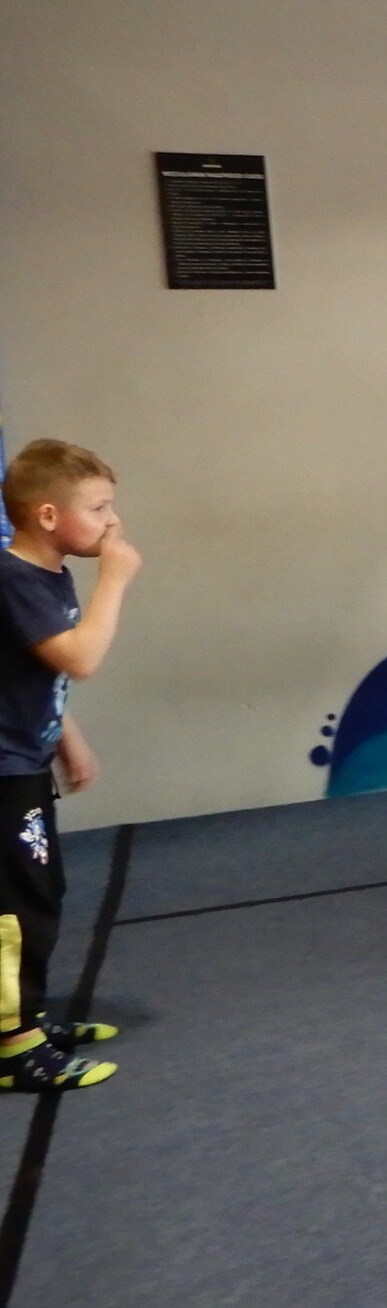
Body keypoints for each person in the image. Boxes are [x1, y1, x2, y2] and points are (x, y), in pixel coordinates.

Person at [0, 441, 138, 1092]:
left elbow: (35, 673)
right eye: (99, 508)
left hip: (24, 759)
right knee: (15, 906)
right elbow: (80, 658)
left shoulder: (46, 575)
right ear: (48, 515)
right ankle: (12, 1045)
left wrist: (66, 739)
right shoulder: (13, 579)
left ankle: (25, 1018)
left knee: (42, 892)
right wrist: (115, 579)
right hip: (3, 772)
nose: (113, 521)